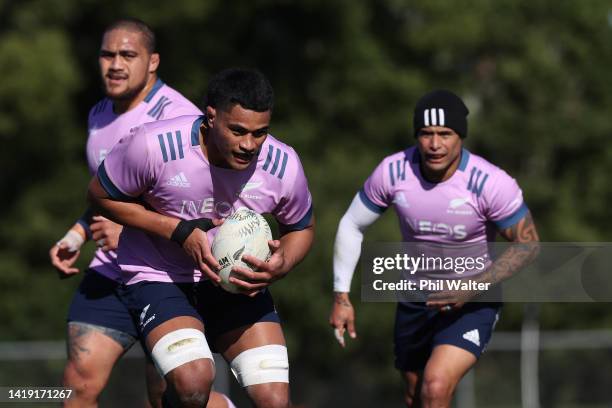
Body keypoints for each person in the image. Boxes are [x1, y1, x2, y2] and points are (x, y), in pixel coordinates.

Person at [87, 67, 315, 407]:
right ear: (210, 118)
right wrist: (178, 231)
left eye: (260, 133)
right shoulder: (153, 145)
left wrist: (282, 264)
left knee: (274, 400)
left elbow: (301, 227)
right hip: (161, 277)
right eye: (237, 131)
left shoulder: (282, 164)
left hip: (237, 285)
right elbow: (100, 196)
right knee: (192, 384)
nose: (249, 145)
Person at [48, 18, 233, 408]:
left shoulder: (179, 116)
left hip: (168, 274)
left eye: (127, 55)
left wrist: (134, 230)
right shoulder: (99, 113)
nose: (115, 64)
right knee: (77, 387)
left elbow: (206, 204)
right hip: (109, 270)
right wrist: (78, 234)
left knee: (172, 398)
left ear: (152, 62)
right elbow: (110, 192)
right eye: (107, 54)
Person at [329, 90, 540, 407]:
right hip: (416, 298)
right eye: (426, 134)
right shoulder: (393, 171)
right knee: (416, 395)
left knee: (435, 386)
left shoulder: (490, 183)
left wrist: (469, 288)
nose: (435, 144)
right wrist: (341, 295)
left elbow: (529, 244)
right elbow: (352, 224)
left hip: (474, 300)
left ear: (461, 137)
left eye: (445, 134)